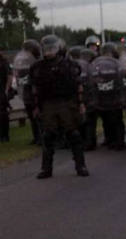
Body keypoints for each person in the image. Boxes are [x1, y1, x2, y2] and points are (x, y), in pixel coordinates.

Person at [29, 35, 88, 178]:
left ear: (59, 48)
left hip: (66, 102)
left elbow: (78, 85)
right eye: (46, 49)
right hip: (48, 104)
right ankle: (46, 168)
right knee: (48, 136)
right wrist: (36, 106)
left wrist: (80, 104)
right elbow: (35, 89)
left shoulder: (69, 64)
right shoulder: (37, 67)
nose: (49, 52)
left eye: (52, 49)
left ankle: (81, 165)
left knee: (73, 134)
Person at [0, 52, 9, 143]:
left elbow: (9, 76)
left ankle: (5, 135)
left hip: (2, 90)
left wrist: (6, 89)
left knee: (3, 114)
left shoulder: (4, 62)